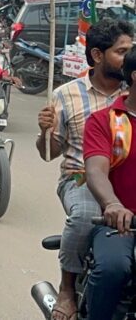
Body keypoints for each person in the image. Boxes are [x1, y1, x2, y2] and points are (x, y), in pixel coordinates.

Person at [36, 19, 133, 320]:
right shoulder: (67, 95)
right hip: (82, 176)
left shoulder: (128, 92)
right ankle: (67, 289)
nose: (127, 56)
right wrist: (45, 132)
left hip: (122, 177)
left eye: (131, 51)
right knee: (83, 216)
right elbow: (50, 153)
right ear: (97, 55)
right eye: (121, 51)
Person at [83, 46, 136, 320]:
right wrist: (113, 205)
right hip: (120, 226)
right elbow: (95, 171)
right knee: (113, 268)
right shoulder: (105, 121)